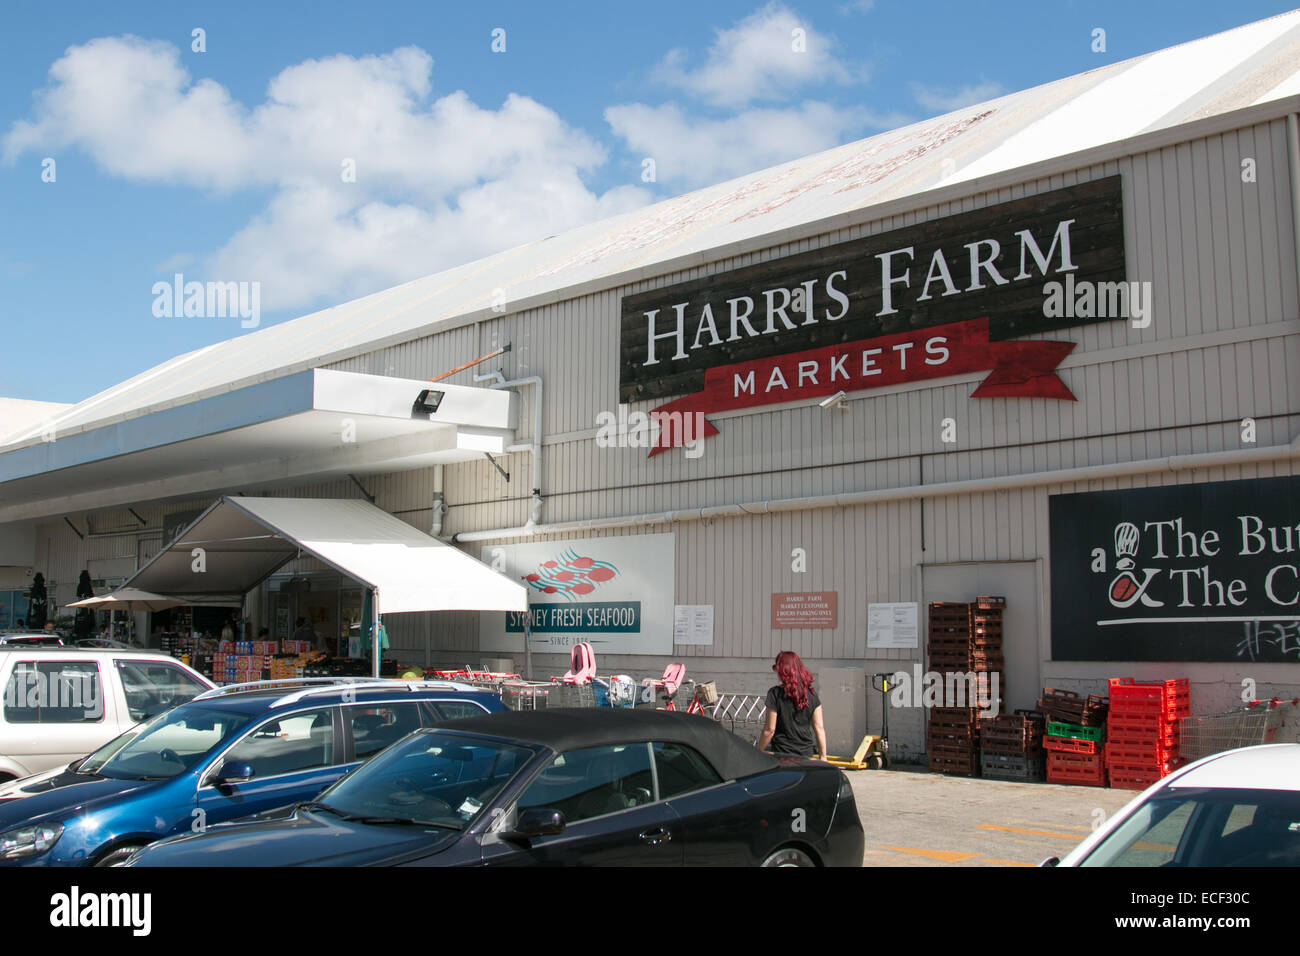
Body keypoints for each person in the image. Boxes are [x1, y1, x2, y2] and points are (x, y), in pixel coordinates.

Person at [756, 651, 828, 760]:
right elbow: (819, 728)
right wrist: (823, 757)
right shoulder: (812, 695)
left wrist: (758, 751)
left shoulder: (775, 693)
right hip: (806, 755)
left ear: (784, 671)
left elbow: (769, 730)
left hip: (782, 754)